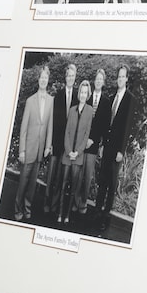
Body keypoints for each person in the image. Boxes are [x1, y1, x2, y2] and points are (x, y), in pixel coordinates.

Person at [93, 65, 134, 231]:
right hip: (107, 146)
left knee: (111, 184)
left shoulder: (130, 99)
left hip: (116, 150)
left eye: (123, 76)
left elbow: (127, 127)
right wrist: (102, 144)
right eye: (119, 76)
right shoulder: (111, 98)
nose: (120, 79)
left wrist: (121, 151)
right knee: (102, 182)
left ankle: (106, 215)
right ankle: (96, 211)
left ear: (127, 79)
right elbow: (104, 124)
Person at [13, 66, 53, 220]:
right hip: (28, 149)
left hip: (40, 150)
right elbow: (23, 128)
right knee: (23, 182)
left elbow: (49, 125)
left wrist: (48, 146)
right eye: (41, 77)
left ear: (48, 80)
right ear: (39, 80)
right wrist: (21, 150)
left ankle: (27, 207)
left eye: (46, 78)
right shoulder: (30, 101)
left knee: (32, 185)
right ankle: (18, 209)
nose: (43, 80)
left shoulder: (51, 101)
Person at [57, 80, 94, 224]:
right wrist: (68, 151)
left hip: (78, 156)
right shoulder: (72, 109)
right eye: (81, 92)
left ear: (88, 94)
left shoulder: (90, 110)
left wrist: (77, 152)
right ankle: (59, 213)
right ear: (79, 94)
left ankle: (67, 215)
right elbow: (66, 132)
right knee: (62, 184)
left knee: (73, 187)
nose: (83, 95)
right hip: (67, 155)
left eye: (86, 93)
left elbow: (86, 135)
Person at [44, 63, 77, 213]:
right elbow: (52, 121)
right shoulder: (58, 95)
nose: (70, 78)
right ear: (65, 77)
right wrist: (50, 143)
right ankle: (46, 202)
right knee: (51, 175)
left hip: (68, 145)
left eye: (72, 75)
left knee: (60, 177)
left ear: (75, 77)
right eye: (68, 75)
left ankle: (55, 206)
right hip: (56, 143)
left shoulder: (78, 97)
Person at [81, 68, 107, 214]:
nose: (98, 81)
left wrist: (93, 140)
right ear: (94, 81)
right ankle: (76, 201)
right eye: (96, 79)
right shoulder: (87, 99)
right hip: (82, 143)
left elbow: (104, 126)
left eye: (100, 79)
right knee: (79, 174)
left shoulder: (106, 101)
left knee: (87, 175)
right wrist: (85, 140)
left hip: (94, 144)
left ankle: (83, 203)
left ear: (103, 82)